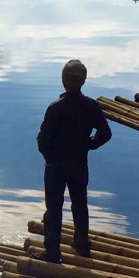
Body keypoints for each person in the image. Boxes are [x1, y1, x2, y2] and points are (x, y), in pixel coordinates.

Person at [33, 60, 111, 263]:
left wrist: (50, 157)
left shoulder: (55, 108)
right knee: (80, 204)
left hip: (55, 167)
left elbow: (42, 142)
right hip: (79, 164)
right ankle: (82, 245)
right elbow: (105, 133)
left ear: (63, 81)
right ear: (83, 81)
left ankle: (52, 253)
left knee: (54, 209)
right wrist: (89, 145)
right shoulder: (91, 106)